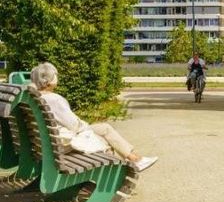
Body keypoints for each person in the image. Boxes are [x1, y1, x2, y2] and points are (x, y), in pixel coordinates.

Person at [28, 62, 157, 172]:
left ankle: (134, 158)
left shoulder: (34, 97)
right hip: (61, 143)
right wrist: (86, 127)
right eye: (55, 75)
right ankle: (118, 174)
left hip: (47, 142)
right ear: (48, 80)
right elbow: (74, 125)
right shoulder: (54, 99)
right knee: (103, 139)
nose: (57, 77)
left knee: (105, 128)